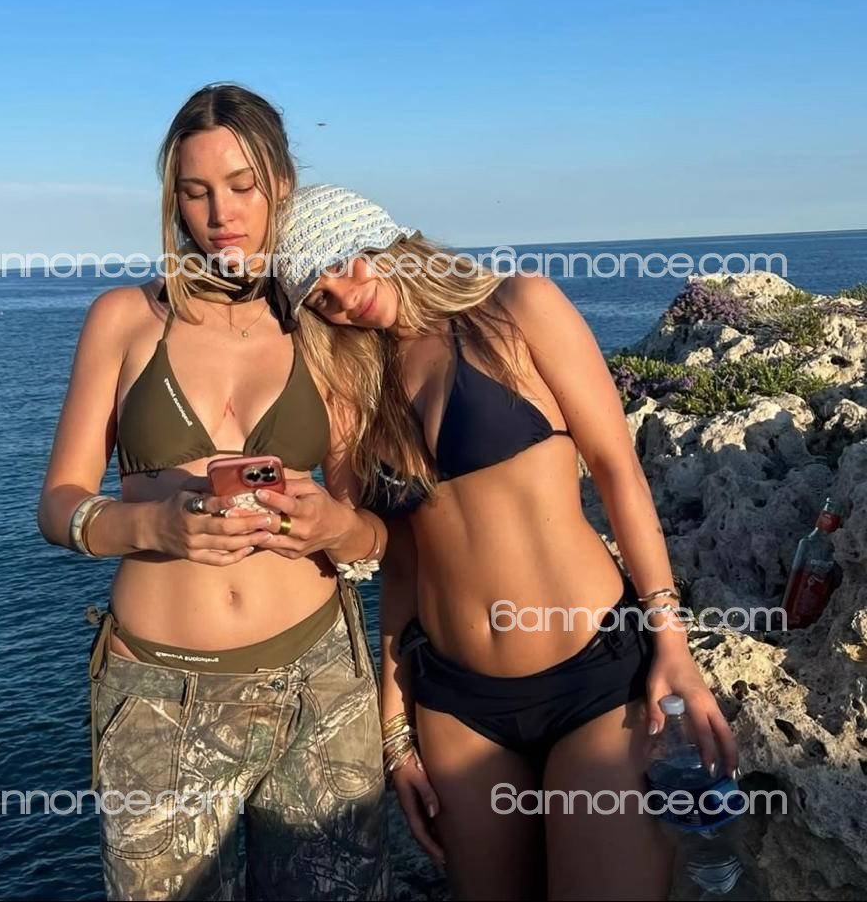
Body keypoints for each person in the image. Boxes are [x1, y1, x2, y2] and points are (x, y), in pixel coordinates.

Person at [274, 183, 740, 902]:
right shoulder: (353, 388)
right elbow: (398, 563)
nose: (342, 296)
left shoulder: (518, 306)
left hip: (593, 680)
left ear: (385, 240)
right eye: (319, 297)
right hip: (457, 705)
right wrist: (394, 729)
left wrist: (671, 642)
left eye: (343, 264)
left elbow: (618, 472)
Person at [37, 90, 389, 902]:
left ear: (281, 184)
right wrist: (149, 525)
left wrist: (334, 525)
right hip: (160, 697)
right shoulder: (124, 320)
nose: (221, 215)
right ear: (174, 201)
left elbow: (372, 533)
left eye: (242, 186)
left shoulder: (321, 324)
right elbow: (58, 503)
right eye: (196, 192)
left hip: (321, 684)